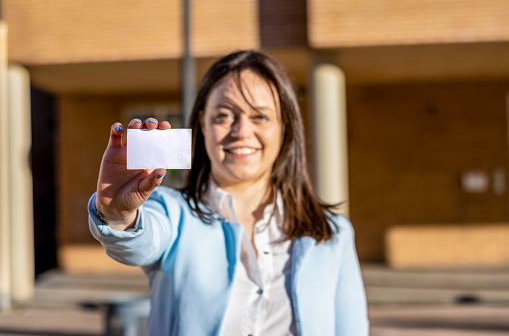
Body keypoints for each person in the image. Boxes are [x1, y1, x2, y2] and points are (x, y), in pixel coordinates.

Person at [88, 50, 369, 336]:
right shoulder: (171, 212)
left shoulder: (334, 232)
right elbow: (138, 243)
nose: (241, 131)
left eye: (260, 116)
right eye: (223, 115)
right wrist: (118, 214)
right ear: (203, 123)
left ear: (284, 127)